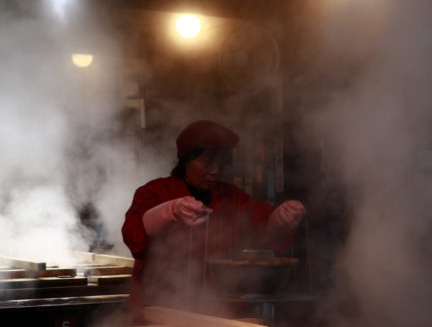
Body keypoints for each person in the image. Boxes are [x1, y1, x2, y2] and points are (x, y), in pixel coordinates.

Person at [122, 119, 305, 311]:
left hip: (220, 311)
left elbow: (261, 230)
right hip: (161, 310)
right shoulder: (154, 192)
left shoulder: (232, 197)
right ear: (185, 160)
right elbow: (133, 235)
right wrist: (169, 211)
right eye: (208, 162)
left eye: (222, 163)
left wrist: (279, 221)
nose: (216, 171)